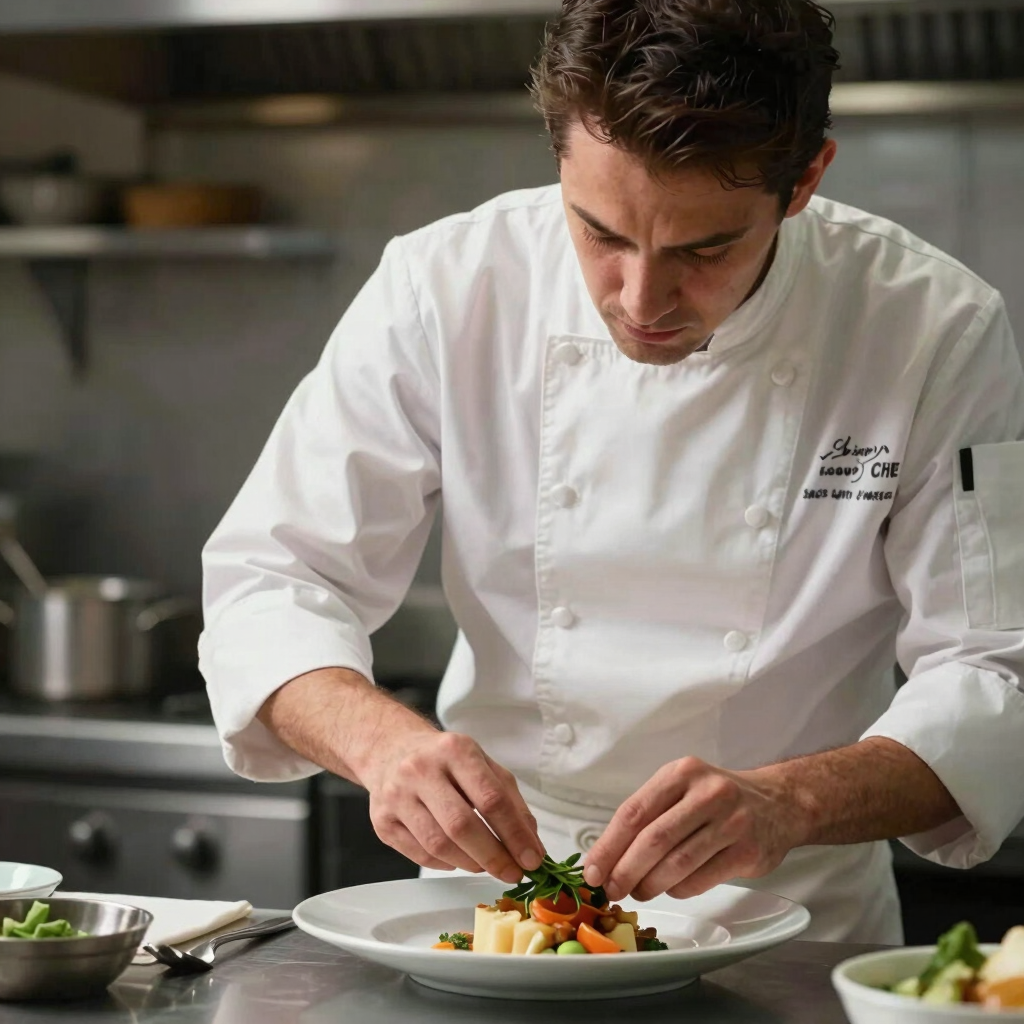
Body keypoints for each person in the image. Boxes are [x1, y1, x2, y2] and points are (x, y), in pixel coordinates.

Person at [199, 0, 1024, 944]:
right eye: (599, 232)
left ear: (805, 182)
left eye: (704, 249)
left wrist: (788, 802)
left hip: (794, 923)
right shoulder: (447, 287)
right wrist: (383, 744)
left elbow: (994, 669)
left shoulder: (931, 328)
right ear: (557, 157)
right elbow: (274, 577)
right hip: (496, 918)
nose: (640, 300)